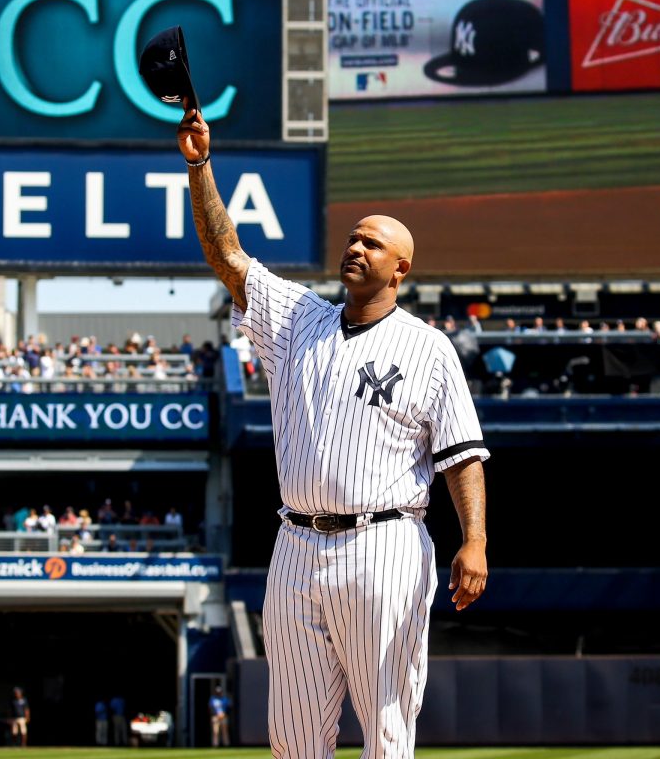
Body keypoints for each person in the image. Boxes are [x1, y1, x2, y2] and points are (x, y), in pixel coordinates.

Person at [177, 103, 489, 758]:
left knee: (385, 730)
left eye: (373, 242)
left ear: (401, 269)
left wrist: (475, 541)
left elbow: (461, 456)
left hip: (387, 543)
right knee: (292, 736)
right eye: (353, 236)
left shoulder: (428, 348)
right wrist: (200, 164)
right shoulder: (297, 319)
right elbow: (228, 255)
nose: (356, 246)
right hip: (295, 542)